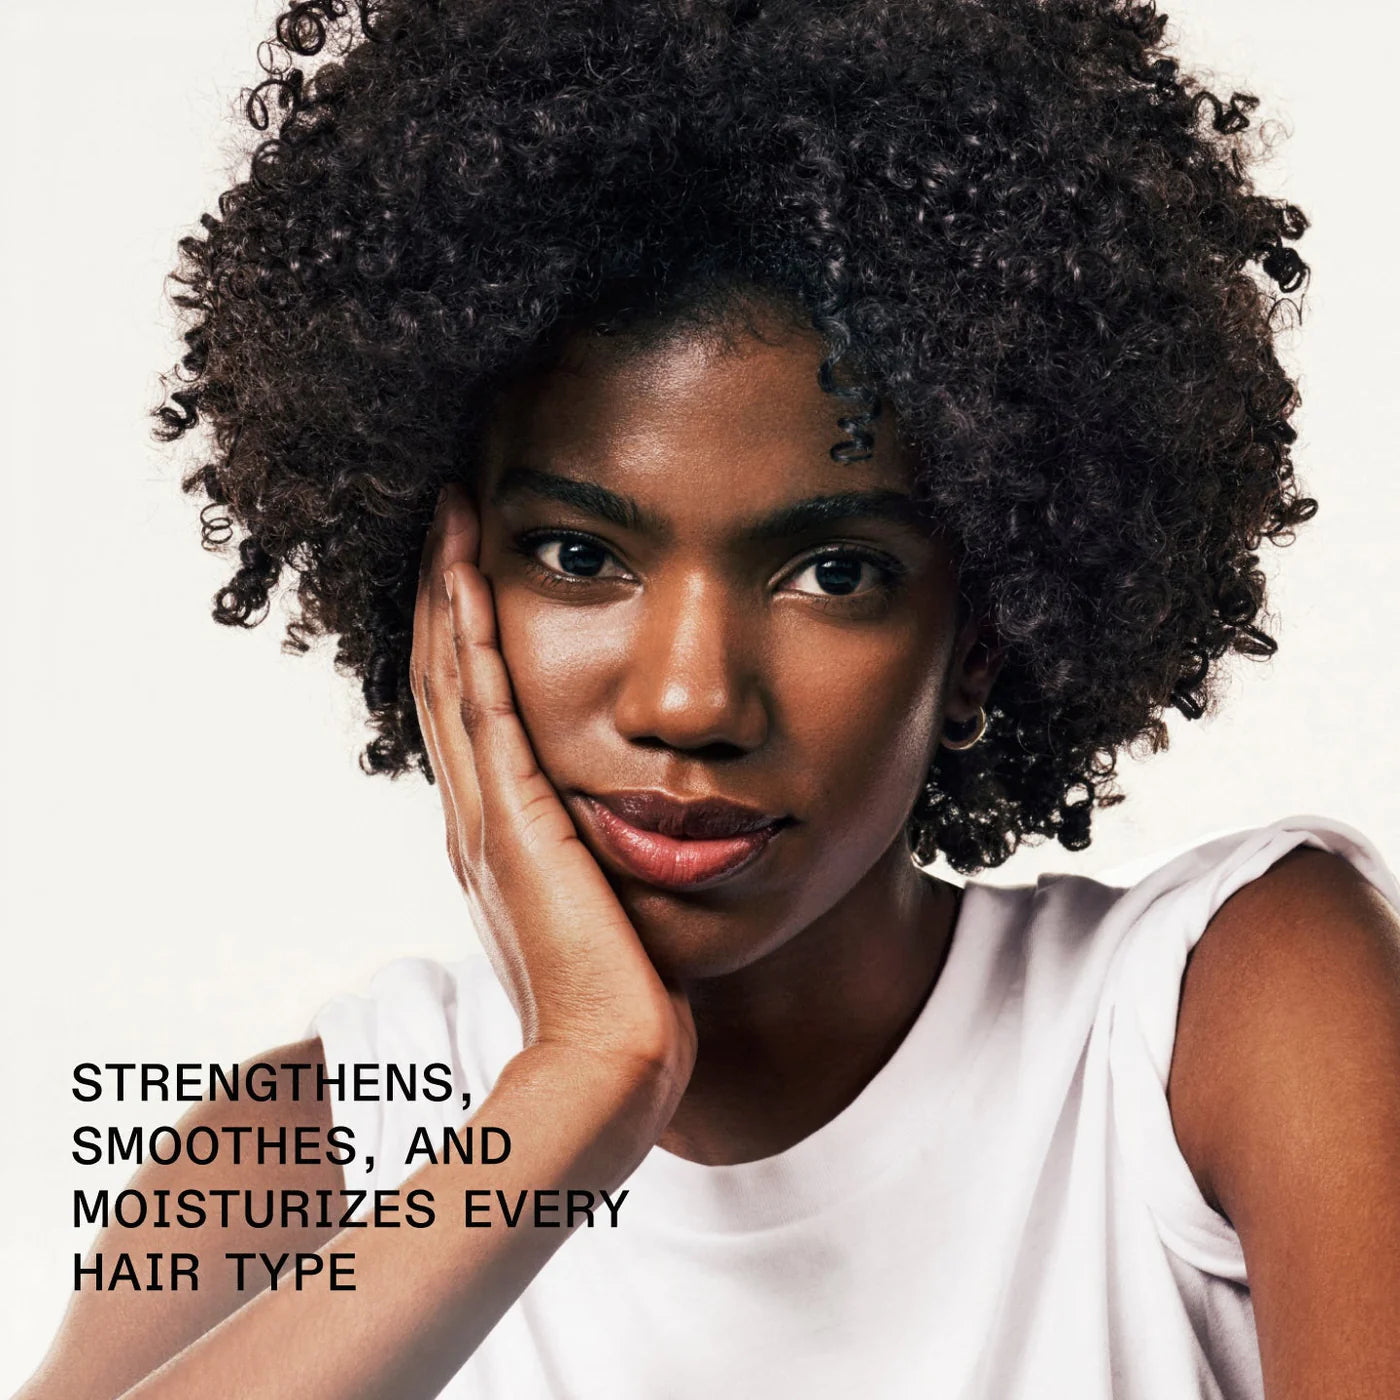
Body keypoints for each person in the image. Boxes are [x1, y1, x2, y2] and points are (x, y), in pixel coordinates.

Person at [16, 0, 1400, 1396]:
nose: (690, 697)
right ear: (444, 585)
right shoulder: (299, 1149)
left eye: (835, 571)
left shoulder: (1228, 1019)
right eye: (580, 555)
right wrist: (577, 1087)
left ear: (978, 631)